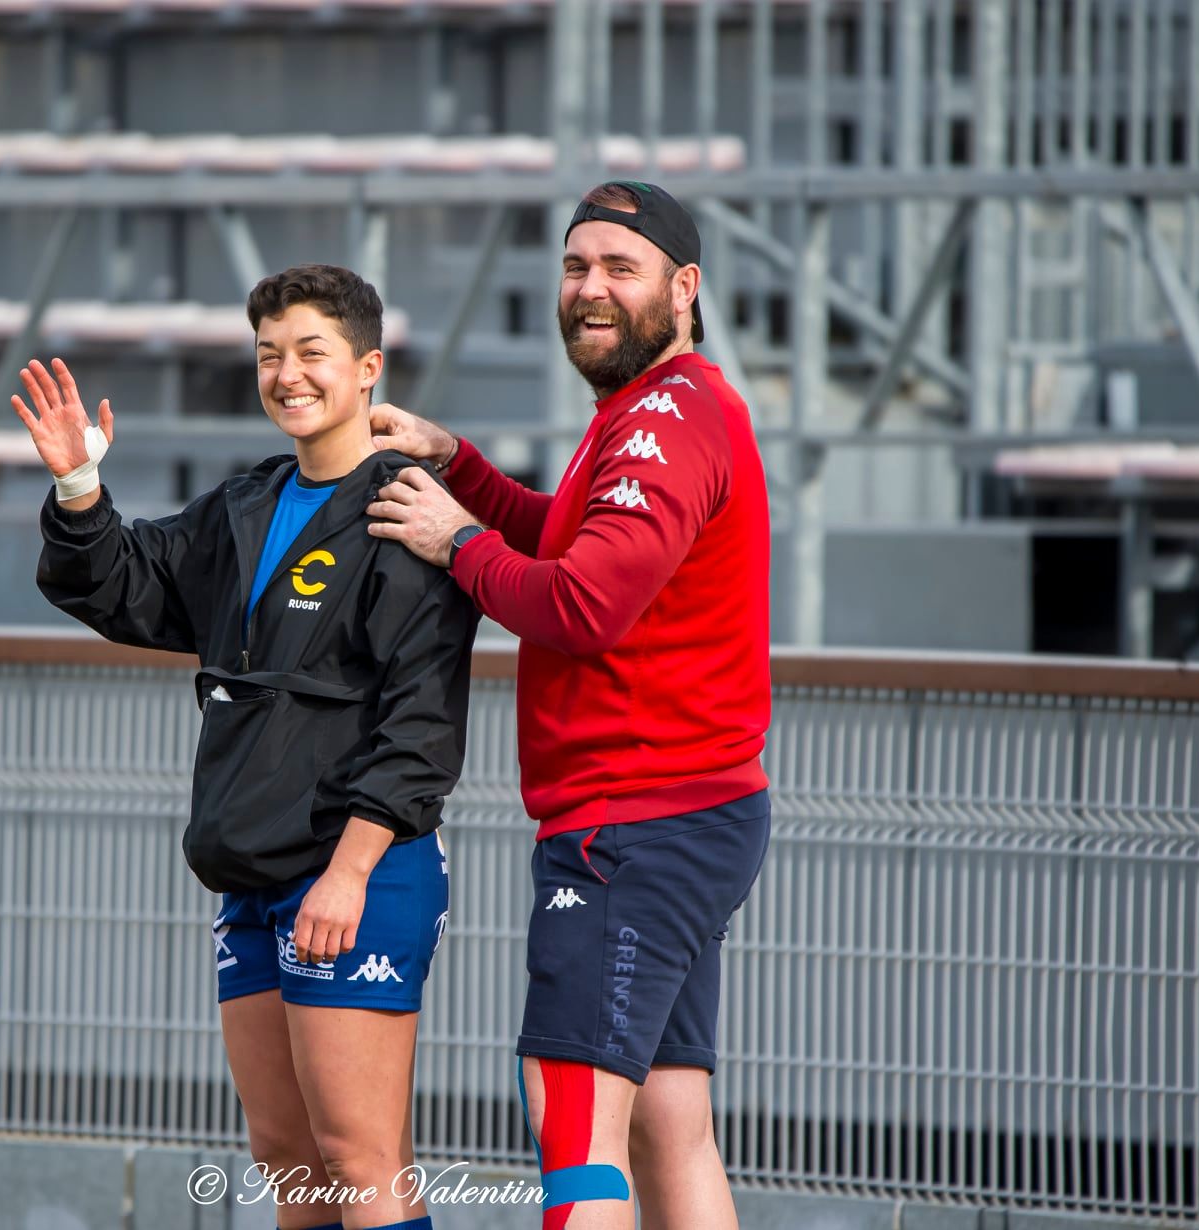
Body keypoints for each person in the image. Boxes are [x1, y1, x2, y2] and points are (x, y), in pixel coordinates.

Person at [15, 264, 480, 1230]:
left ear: (368, 369)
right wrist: (78, 484)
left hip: (357, 870)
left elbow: (422, 726)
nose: (287, 375)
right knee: (287, 1156)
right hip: (252, 868)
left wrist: (348, 874)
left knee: (358, 1154)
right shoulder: (245, 504)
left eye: (312, 352)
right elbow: (126, 586)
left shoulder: (409, 510)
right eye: (269, 355)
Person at [366, 181, 772, 1230]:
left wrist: (456, 543)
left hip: (634, 824)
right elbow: (572, 539)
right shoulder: (660, 409)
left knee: (576, 1125)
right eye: (575, 265)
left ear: (684, 288)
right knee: (669, 1123)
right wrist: (460, 468)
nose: (590, 288)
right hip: (690, 812)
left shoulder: (664, 420)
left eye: (620, 268)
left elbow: (584, 603)